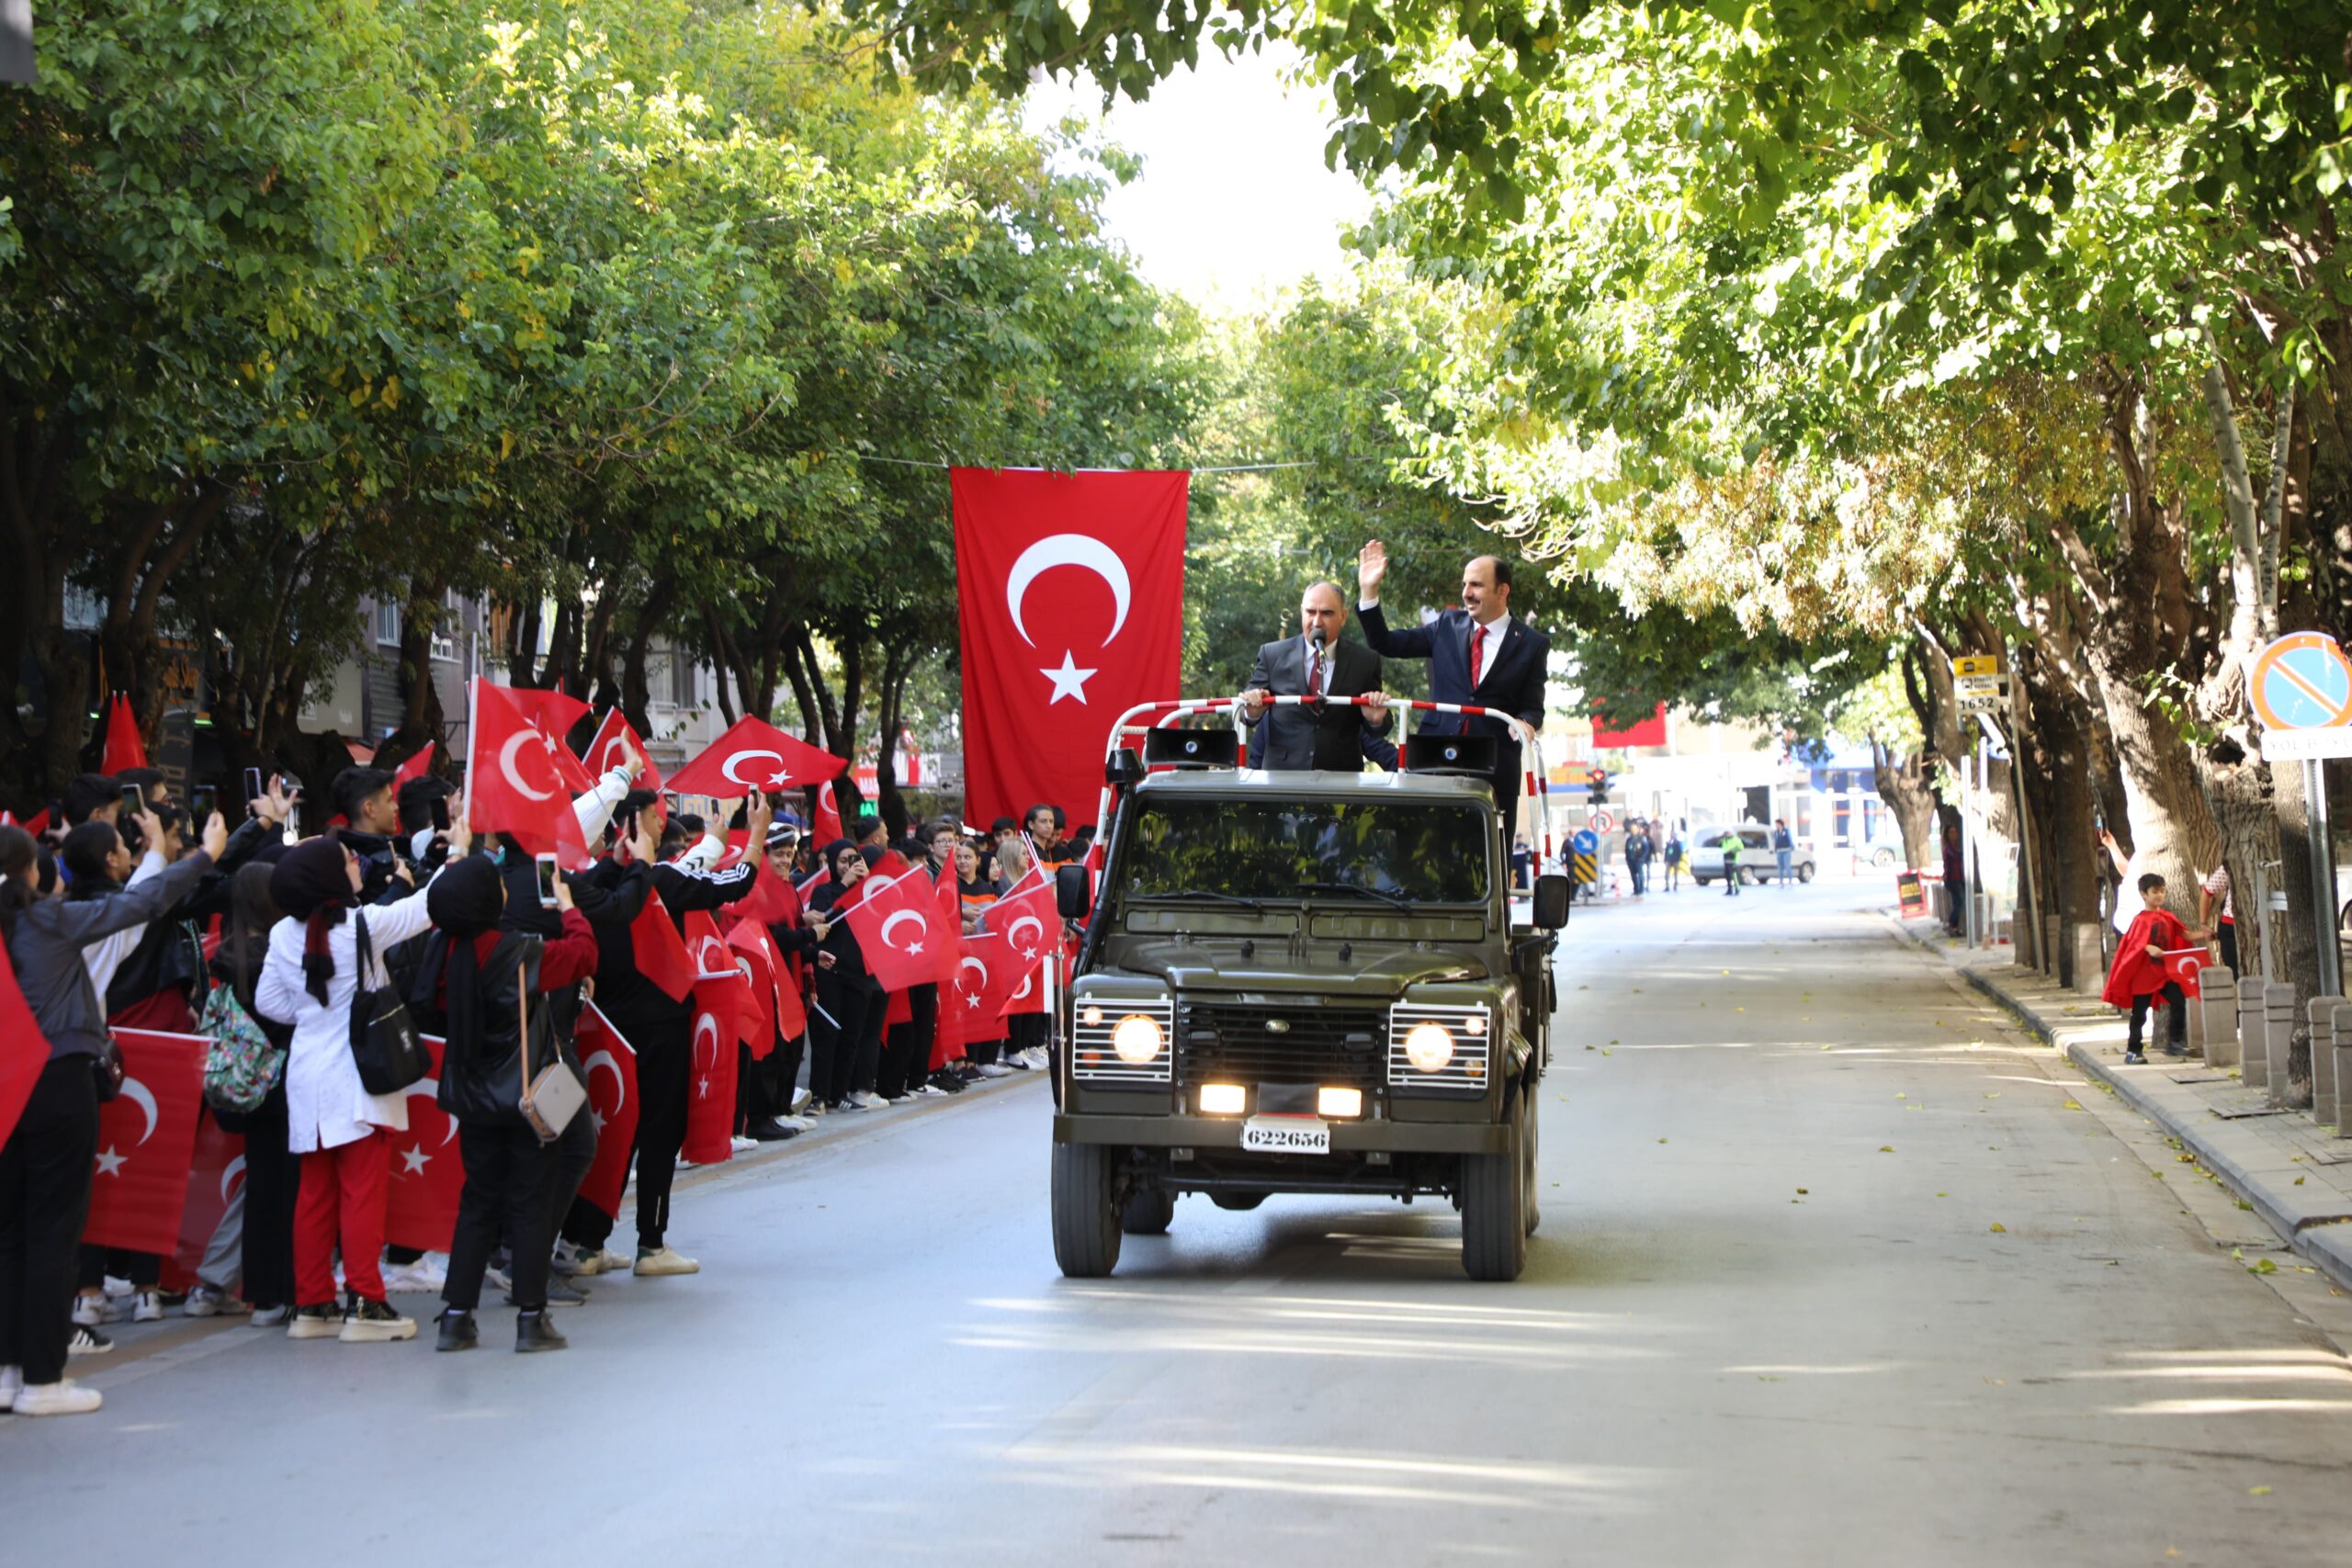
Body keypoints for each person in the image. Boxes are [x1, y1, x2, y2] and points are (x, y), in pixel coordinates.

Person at [1, 814, 223, 1416]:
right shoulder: (46, 920)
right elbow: (141, 902)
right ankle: (45, 1381)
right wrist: (204, 854)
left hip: (6, 1091)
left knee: (11, 1235)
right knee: (52, 1230)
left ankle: (9, 1371)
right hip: (57, 1078)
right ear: (28, 871)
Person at [255, 821, 454, 1344]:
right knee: (362, 1193)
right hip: (359, 1077)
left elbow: (268, 1003)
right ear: (326, 878)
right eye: (346, 860)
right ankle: (366, 1299)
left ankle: (313, 1302)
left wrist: (313, 1012)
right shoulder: (364, 926)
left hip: (307, 1077)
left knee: (314, 1195)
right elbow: (427, 907)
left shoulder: (280, 934)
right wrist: (460, 850)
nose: (356, 866)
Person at [413, 852, 600, 1353]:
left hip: (472, 1096)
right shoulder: (518, 952)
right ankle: (531, 1317)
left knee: (477, 1203)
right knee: (531, 1204)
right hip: (523, 1096)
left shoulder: (441, 951)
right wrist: (567, 906)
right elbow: (583, 954)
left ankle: (456, 1317)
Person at [575, 790, 761, 1276]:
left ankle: (587, 1244)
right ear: (634, 825)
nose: (663, 827)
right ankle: (651, 1245)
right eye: (656, 820)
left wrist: (717, 840)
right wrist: (755, 833)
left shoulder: (586, 883)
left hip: (605, 1029)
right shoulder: (661, 882)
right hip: (658, 1028)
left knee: (611, 1131)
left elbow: (697, 866)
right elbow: (736, 883)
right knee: (658, 1132)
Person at [1355, 539, 1550, 845]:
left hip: (1494, 767)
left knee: (1491, 856)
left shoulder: (1531, 643)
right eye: (1464, 584)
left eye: (1476, 585)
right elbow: (1385, 643)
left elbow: (1533, 707)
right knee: (1428, 851)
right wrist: (1369, 591)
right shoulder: (1446, 625)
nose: (1466, 593)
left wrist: (1525, 723)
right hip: (1437, 760)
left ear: (1503, 590)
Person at [1238, 581, 1395, 771]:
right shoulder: (1272, 655)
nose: (1317, 621)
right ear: (1301, 611)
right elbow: (1246, 710)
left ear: (1343, 616)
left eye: (1327, 613)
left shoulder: (1365, 660)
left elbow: (1379, 727)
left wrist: (1375, 720)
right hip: (1282, 775)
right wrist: (1252, 710)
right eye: (1311, 612)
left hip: (1341, 776)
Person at [2102, 872, 2204, 1064]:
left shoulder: (2167, 917)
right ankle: (2133, 1050)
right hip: (2145, 975)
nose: (2159, 895)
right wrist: (2150, 948)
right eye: (2155, 891)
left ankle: (2174, 1042)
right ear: (2144, 894)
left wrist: (2205, 934)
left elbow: (2185, 935)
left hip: (2164, 973)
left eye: (2162, 891)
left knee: (2179, 1001)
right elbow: (2134, 944)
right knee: (2139, 1013)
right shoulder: (2140, 920)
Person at [2199, 863, 2237, 975]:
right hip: (2230, 928)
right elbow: (2207, 891)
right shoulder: (2231, 864)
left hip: (2262, 926)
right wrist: (2203, 924)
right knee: (2238, 975)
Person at [1623, 824, 1653, 897]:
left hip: (1638, 859)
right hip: (1630, 860)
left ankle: (1641, 889)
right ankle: (1636, 889)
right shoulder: (1629, 839)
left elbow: (1646, 849)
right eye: (1632, 829)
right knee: (1633, 875)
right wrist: (1627, 858)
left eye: (1635, 829)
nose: (1633, 831)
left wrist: (1642, 858)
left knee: (1640, 875)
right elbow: (1626, 849)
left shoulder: (1641, 838)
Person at [1771, 818, 1795, 887]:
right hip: (1779, 851)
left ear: (1780, 824)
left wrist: (1791, 846)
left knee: (1787, 865)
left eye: (1777, 824)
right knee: (1780, 867)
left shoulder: (1786, 831)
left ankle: (1790, 881)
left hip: (1786, 850)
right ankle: (1781, 882)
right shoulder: (1776, 832)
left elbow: (1790, 839)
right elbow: (1775, 841)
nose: (1776, 825)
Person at [1720, 829, 1743, 897]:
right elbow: (1723, 848)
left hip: (1733, 860)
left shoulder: (1736, 839)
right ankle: (1729, 889)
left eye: (1728, 833)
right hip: (1726, 859)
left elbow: (1741, 847)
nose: (1726, 834)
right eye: (1726, 833)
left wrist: (1732, 851)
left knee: (1734, 875)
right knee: (1727, 876)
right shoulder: (1724, 840)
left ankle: (1737, 888)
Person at [1662, 828, 1684, 892]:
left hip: (1675, 860)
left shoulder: (1677, 843)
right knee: (1667, 873)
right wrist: (1665, 859)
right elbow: (1666, 851)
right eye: (1671, 834)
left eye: (1673, 834)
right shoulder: (1668, 842)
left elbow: (1680, 851)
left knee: (1676, 873)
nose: (1672, 835)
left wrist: (1679, 859)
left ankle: (1675, 884)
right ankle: (1667, 886)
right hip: (1669, 860)